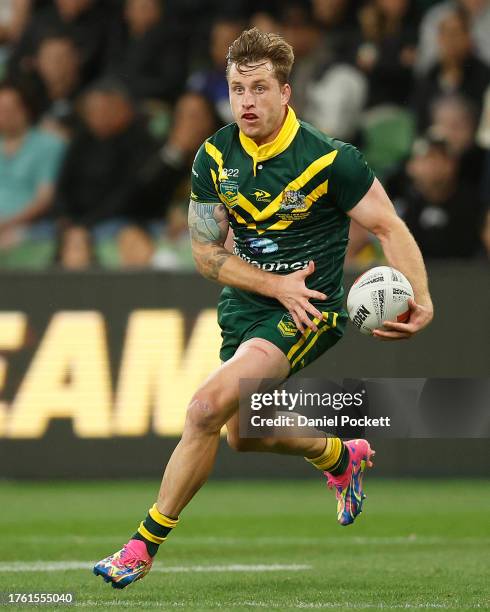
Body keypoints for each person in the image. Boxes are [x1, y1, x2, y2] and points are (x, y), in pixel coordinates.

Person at [93, 28, 434, 589]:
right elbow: (205, 254)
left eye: (258, 88)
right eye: (236, 89)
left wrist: (420, 298)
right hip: (250, 306)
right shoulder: (214, 155)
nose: (246, 101)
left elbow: (387, 225)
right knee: (244, 432)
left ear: (286, 94)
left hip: (309, 309)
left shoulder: (331, 159)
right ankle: (338, 454)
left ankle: (141, 546)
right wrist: (270, 285)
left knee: (204, 408)